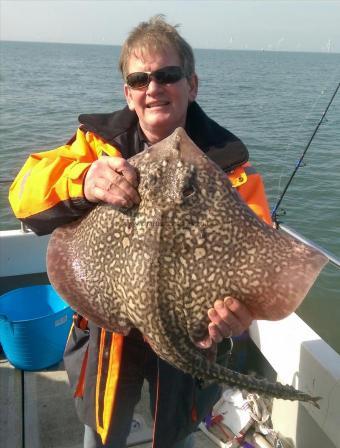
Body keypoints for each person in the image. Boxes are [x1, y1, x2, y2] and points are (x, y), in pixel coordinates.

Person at [9, 16, 271, 448]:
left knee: (177, 431)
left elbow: (257, 252)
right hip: (108, 323)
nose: (154, 87)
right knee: (100, 426)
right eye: (140, 78)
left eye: (168, 75)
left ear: (192, 84)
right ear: (128, 93)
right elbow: (23, 193)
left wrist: (243, 308)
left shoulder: (230, 166)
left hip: (189, 329)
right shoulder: (96, 144)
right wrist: (83, 178)